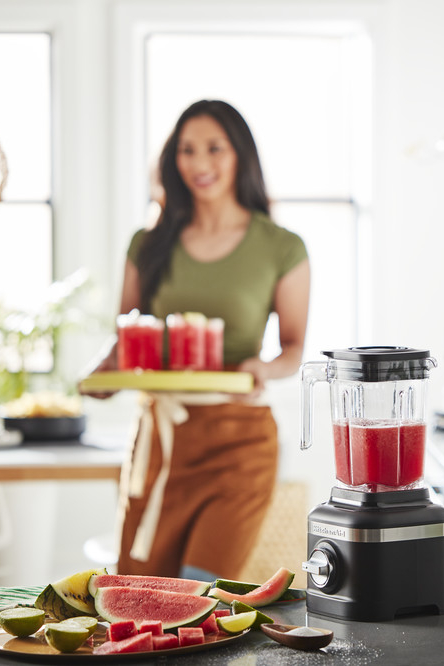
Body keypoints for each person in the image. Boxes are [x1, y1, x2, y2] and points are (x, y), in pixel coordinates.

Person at [83, 100, 310, 582]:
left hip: (240, 443)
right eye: (187, 150)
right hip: (162, 440)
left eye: (214, 148)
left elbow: (292, 349)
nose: (199, 163)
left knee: (198, 597)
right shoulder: (148, 244)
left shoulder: (281, 246)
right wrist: (104, 373)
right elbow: (127, 335)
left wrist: (263, 369)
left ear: (240, 155)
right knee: (141, 598)